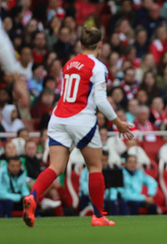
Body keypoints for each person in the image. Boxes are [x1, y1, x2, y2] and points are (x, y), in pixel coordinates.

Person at [22, 26, 133, 227]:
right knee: (95, 166)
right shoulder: (98, 67)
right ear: (100, 45)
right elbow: (100, 101)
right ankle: (98, 216)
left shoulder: (69, 64)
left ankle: (33, 196)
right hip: (81, 119)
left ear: (81, 44)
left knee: (55, 167)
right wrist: (118, 123)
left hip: (58, 118)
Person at [79, 150, 128, 215]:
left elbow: (114, 187)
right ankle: (115, 223)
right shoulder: (87, 170)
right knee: (112, 205)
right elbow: (85, 190)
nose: (104, 163)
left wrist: (113, 199)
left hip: (107, 198)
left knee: (122, 203)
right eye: (102, 160)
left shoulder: (110, 170)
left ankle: (127, 223)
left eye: (106, 160)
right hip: (90, 200)